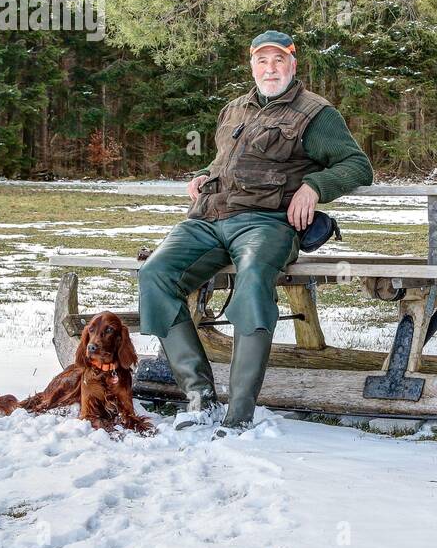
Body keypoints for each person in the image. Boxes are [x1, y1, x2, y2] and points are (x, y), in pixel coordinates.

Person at [138, 30, 372, 433]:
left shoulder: (314, 113)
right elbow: (226, 162)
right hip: (208, 219)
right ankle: (199, 398)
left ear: (293, 65)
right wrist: (204, 176)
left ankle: (239, 412)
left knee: (251, 281)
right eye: (262, 61)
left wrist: (314, 187)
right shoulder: (234, 109)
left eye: (278, 60)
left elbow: (357, 165)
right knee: (155, 274)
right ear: (252, 66)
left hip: (267, 223)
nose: (270, 68)